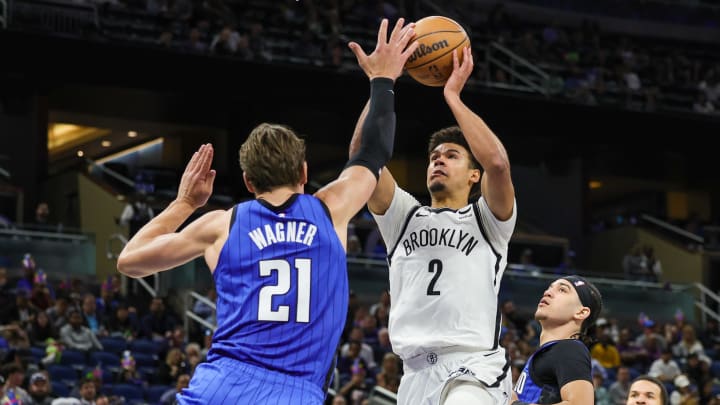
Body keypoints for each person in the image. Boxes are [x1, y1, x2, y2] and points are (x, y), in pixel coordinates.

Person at [116, 17, 418, 405]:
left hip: (218, 387)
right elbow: (372, 153)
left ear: (248, 181)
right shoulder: (329, 210)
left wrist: (184, 203)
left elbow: (130, 261)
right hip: (294, 392)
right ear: (305, 173)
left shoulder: (221, 225)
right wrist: (383, 81)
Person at [348, 31, 516, 402]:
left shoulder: (488, 221)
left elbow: (499, 165)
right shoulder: (404, 217)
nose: (438, 159)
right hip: (414, 375)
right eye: (434, 155)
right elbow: (362, 155)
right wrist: (383, 82)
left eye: (452, 155)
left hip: (473, 368)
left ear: (474, 175)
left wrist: (452, 97)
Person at [512, 276, 603, 404]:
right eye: (550, 287)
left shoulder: (569, 349)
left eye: (562, 290)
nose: (547, 292)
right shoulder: (553, 351)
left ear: (581, 312)